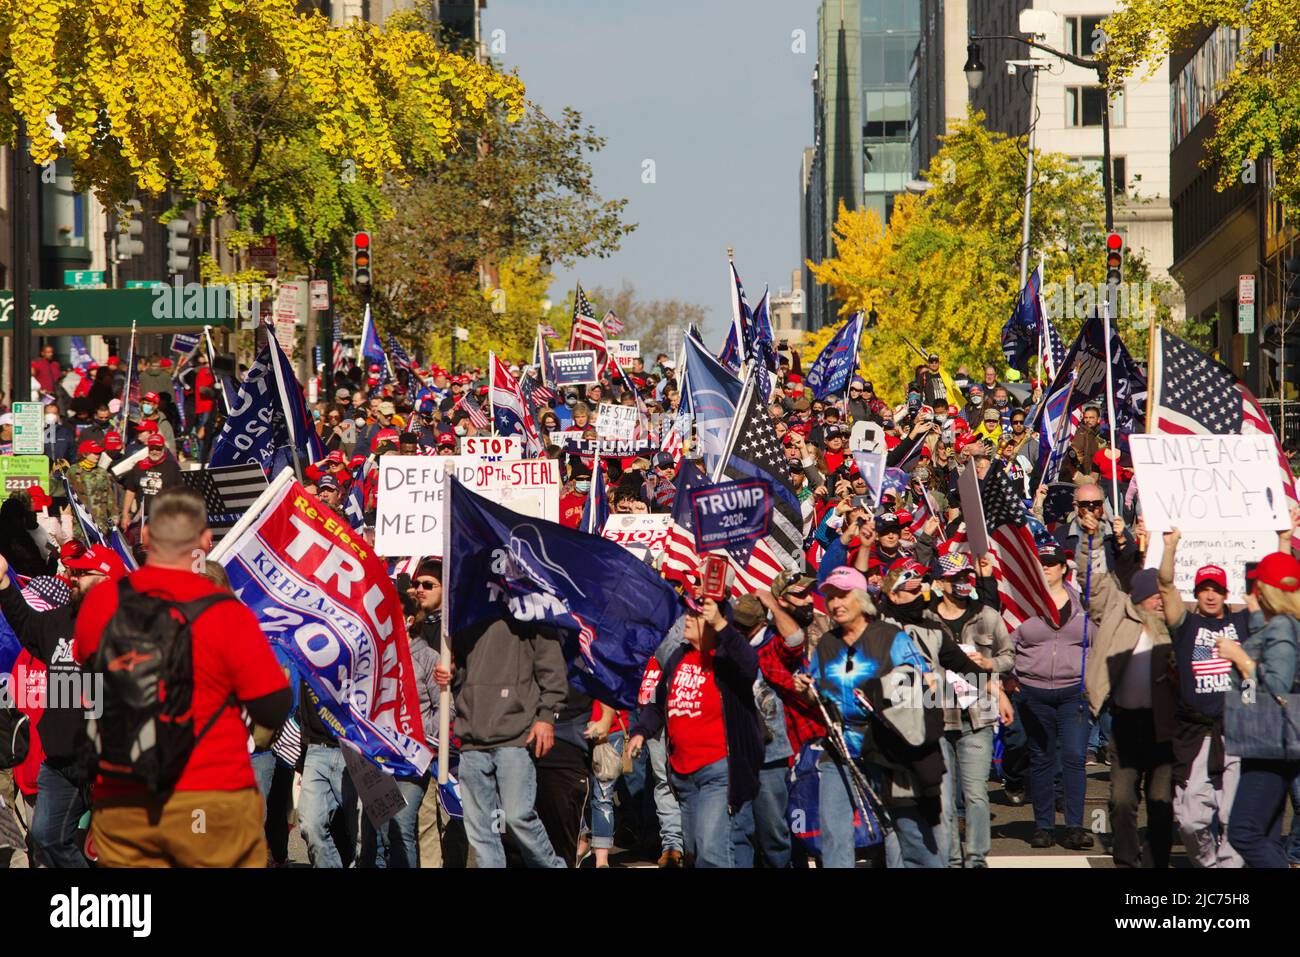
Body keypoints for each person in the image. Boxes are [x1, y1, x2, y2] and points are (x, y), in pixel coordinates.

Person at [72, 488, 291, 867]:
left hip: (126, 803)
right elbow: (272, 709)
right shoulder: (229, 615)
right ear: (205, 541)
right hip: (208, 798)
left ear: (143, 537)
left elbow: (86, 687)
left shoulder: (100, 603)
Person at [628, 591, 762, 869]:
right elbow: (658, 704)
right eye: (688, 614)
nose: (686, 620)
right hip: (683, 776)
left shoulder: (726, 659)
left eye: (695, 616)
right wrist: (642, 730)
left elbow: (749, 663)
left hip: (719, 772)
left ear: (713, 622)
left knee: (712, 854)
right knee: (695, 856)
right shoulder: (678, 656)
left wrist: (722, 624)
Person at [433, 613, 568, 868]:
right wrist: (451, 672)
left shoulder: (532, 608)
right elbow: (465, 669)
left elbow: (553, 670)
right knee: (481, 830)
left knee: (518, 817)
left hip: (515, 736)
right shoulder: (468, 610)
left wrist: (546, 717)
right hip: (472, 738)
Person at [1079, 523, 1175, 869]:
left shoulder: (1175, 625)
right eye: (1154, 597)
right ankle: (1125, 859)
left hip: (1164, 728)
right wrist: (1091, 541)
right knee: (1121, 800)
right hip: (1126, 724)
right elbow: (1094, 586)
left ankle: (1155, 862)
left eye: (1163, 597)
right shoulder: (1120, 614)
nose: (1160, 603)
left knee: (1162, 802)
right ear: (1139, 598)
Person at [1157, 528, 1250, 868]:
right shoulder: (1186, 625)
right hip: (1195, 735)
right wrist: (1170, 547)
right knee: (1190, 819)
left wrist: (1283, 538)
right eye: (1204, 589)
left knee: (1234, 816)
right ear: (1196, 593)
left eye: (1217, 589)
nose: (1210, 595)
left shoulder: (1242, 622)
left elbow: (1266, 592)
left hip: (1237, 732)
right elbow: (1166, 585)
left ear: (1226, 594)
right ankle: (1209, 864)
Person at [1217, 552, 1300, 868]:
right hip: (1274, 743)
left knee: (1245, 833)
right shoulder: (1284, 623)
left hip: (1271, 746)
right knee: (1265, 835)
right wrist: (1253, 613)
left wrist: (1239, 657)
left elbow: (1277, 684)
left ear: (1268, 589)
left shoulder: (1280, 625)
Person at [932, 551, 1015, 868]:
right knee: (945, 798)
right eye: (955, 579)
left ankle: (977, 857)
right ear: (940, 583)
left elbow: (1009, 655)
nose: (963, 583)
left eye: (966, 578)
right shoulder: (928, 620)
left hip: (978, 717)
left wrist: (990, 663)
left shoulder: (988, 615)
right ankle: (953, 858)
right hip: (939, 717)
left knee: (976, 793)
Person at [1011, 545, 1094, 850]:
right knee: (1042, 758)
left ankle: (1074, 826)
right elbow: (1008, 643)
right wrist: (1010, 677)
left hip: (1075, 692)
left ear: (1063, 568)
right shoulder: (1021, 603)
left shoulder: (1083, 605)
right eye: (1041, 563)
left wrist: (1095, 683)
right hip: (1033, 692)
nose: (1045, 567)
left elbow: (1097, 643)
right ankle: (1043, 826)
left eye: (1050, 563)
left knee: (1073, 756)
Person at [119, 433, 184, 531]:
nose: (155, 452)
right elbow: (130, 491)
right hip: (143, 517)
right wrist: (125, 514)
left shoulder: (172, 467)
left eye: (158, 449)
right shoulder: (139, 466)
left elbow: (181, 493)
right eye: (152, 448)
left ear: (163, 449)